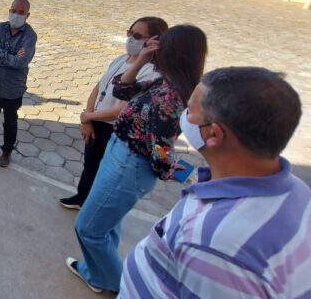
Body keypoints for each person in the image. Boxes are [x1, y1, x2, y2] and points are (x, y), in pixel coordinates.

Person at [121, 67, 310, 298]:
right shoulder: (297, 191)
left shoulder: (215, 246)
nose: (184, 118)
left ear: (213, 134)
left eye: (189, 111)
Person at [67, 25, 208, 294]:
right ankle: (96, 271)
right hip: (118, 154)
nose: (153, 48)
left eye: (160, 45)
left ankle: (116, 284)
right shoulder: (163, 81)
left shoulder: (172, 95)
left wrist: (170, 170)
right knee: (106, 224)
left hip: (130, 166)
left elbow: (161, 148)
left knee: (88, 229)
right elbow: (121, 90)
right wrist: (142, 60)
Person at [60, 17, 168, 210]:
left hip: (114, 128)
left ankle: (96, 206)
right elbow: (99, 86)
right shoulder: (120, 60)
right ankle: (82, 198)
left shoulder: (149, 73)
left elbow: (123, 108)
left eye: (137, 35)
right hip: (95, 121)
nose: (130, 39)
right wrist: (88, 115)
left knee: (107, 172)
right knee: (90, 165)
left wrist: (89, 117)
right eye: (130, 33)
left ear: (153, 41)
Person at [0, 0, 37, 168]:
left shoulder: (30, 36)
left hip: (13, 88)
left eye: (21, 12)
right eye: (13, 10)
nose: (16, 15)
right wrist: (9, 56)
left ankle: (6, 151)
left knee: (10, 121)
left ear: (27, 15)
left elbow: (21, 62)